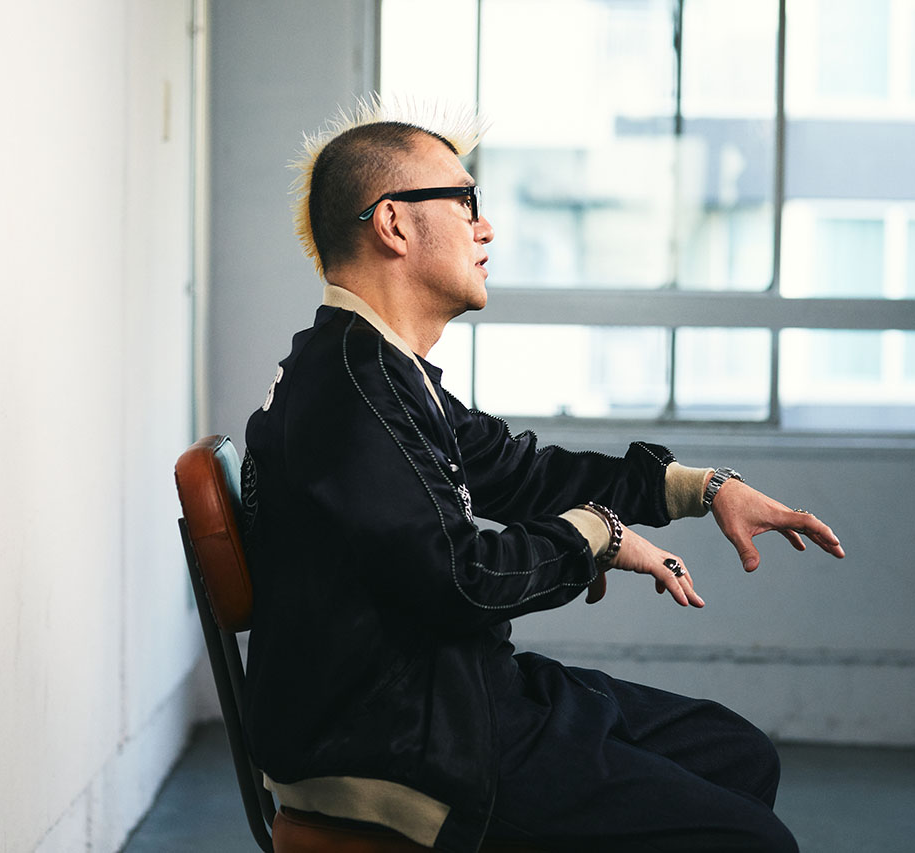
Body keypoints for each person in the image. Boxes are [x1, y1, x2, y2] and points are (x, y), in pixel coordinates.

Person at [239, 100, 845, 853]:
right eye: (465, 202)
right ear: (392, 223)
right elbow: (461, 578)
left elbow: (522, 472)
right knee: (753, 841)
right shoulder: (354, 392)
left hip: (452, 694)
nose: (485, 227)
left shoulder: (375, 369)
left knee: (736, 752)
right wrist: (596, 537)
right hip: (401, 742)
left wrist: (704, 488)